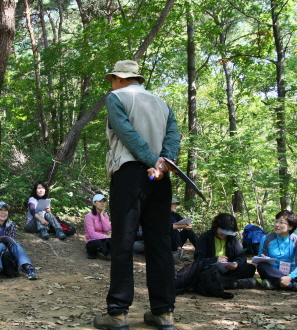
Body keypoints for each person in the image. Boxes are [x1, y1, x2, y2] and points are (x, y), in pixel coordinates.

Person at [93, 60, 180, 330]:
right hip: (161, 177)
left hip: (130, 174)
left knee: (123, 242)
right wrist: (163, 163)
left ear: (120, 78)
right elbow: (173, 138)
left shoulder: (116, 97)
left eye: (112, 79)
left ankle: (117, 314)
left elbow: (126, 132)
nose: (111, 83)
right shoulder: (163, 104)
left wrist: (151, 161)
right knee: (160, 243)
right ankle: (164, 312)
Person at [257, 210, 297, 292]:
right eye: (276, 221)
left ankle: (275, 283)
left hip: (292, 272)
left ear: (290, 227)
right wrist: (263, 258)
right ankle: (293, 286)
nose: (277, 225)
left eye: (281, 222)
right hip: (273, 271)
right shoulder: (266, 238)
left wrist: (289, 277)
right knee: (261, 266)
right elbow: (260, 258)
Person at [0, 201, 37, 283]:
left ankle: (29, 269)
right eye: (0, 210)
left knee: (17, 245)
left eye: (5, 210)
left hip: (7, 254)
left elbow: (12, 241)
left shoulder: (11, 225)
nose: (3, 212)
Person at [194, 213, 256, 289]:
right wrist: (216, 260)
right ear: (216, 226)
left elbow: (241, 256)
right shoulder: (205, 238)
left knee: (250, 268)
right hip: (211, 269)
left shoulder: (232, 239)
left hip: (228, 270)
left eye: (227, 233)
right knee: (205, 274)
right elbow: (198, 259)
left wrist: (236, 263)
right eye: (222, 231)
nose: (224, 234)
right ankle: (234, 283)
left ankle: (220, 282)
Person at [170, 196, 198, 262]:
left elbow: (186, 222)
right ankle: (179, 251)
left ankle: (200, 248)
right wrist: (181, 226)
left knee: (188, 230)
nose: (175, 206)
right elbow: (168, 227)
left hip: (175, 242)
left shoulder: (175, 215)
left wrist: (188, 225)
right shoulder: (163, 215)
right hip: (166, 242)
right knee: (174, 229)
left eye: (176, 204)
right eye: (173, 204)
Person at [85, 194, 111, 259]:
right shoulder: (89, 216)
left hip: (104, 240)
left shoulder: (105, 215)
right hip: (92, 241)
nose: (102, 203)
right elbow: (92, 233)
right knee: (97, 243)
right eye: (100, 201)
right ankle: (101, 252)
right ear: (94, 203)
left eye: (104, 202)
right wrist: (105, 236)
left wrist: (102, 216)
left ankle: (105, 252)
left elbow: (107, 229)